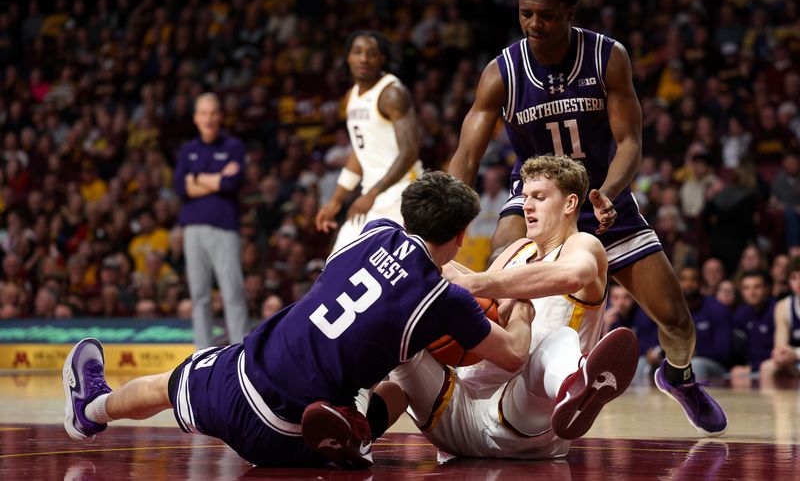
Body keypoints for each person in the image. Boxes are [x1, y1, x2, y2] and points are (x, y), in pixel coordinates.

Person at [62, 171, 535, 469]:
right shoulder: (444, 300)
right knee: (404, 378)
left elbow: (417, 256)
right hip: (289, 435)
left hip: (238, 384)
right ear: (459, 235)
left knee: (166, 384)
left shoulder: (371, 233)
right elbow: (513, 354)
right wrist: (521, 307)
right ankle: (359, 431)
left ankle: (91, 411)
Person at [447, 0, 726, 436]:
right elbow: (466, 156)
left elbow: (632, 143)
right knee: (503, 274)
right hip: (535, 195)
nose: (535, 24)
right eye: (526, 14)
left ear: (570, 11)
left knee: (676, 320)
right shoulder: (502, 72)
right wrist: (448, 215)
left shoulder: (606, 57)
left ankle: (678, 377)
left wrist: (609, 194)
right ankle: (501, 385)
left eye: (547, 15)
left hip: (603, 199)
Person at [385, 155, 638, 459]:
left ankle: (577, 387)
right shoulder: (519, 249)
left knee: (559, 341)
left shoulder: (583, 245)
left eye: (539, 197)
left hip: (522, 421)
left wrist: (472, 283)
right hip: (454, 415)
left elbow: (572, 274)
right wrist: (436, 266)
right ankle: (356, 424)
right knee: (397, 331)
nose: (527, 206)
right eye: (525, 197)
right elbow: (482, 285)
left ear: (570, 204)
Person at [315, 30, 423, 252]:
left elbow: (410, 151)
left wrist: (372, 193)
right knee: (337, 264)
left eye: (371, 53)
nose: (364, 58)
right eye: (358, 52)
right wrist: (336, 200)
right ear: (348, 57)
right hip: (373, 196)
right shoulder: (351, 96)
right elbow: (360, 150)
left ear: (382, 58)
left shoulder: (392, 93)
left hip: (402, 195)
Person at [173, 93, 248, 348]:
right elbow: (181, 188)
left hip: (225, 228)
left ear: (221, 116)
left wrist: (197, 179)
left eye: (213, 112)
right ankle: (202, 352)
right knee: (199, 295)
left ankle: (240, 350)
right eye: (203, 113)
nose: (209, 118)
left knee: (232, 292)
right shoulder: (188, 150)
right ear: (196, 118)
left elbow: (230, 183)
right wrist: (214, 179)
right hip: (192, 229)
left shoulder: (234, 147)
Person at [760, 257, 800, 381]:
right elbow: (780, 345)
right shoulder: (783, 306)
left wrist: (796, 354)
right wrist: (781, 354)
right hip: (795, 360)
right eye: (794, 278)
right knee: (767, 367)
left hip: (797, 356)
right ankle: (776, 401)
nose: (799, 282)